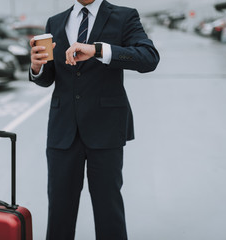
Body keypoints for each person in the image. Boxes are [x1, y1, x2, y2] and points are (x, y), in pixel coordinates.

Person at [29, 0, 159, 239]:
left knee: (108, 209)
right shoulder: (55, 22)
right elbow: (47, 78)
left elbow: (149, 58)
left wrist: (99, 50)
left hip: (106, 128)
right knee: (59, 210)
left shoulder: (124, 17)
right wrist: (36, 67)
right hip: (62, 130)